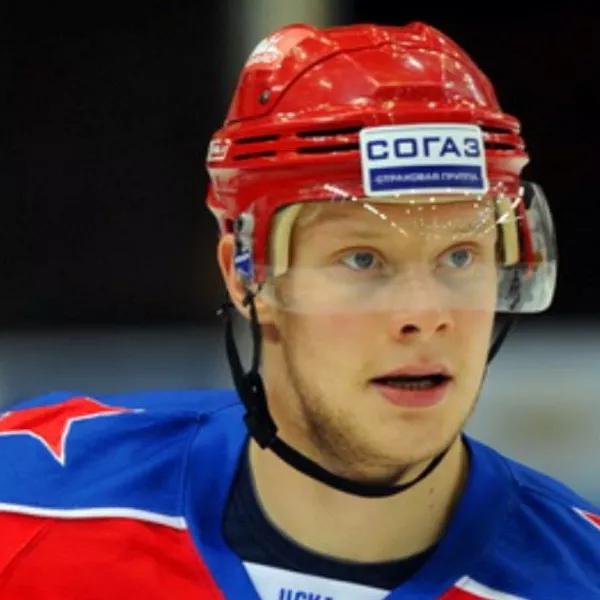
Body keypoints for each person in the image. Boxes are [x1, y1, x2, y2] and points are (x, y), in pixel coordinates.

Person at [0, 20, 598, 600]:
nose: (426, 313)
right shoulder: (23, 501)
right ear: (247, 277)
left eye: (460, 256)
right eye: (363, 259)